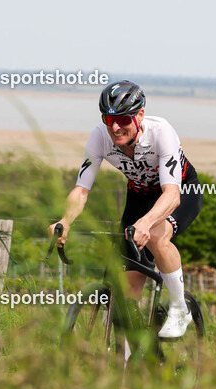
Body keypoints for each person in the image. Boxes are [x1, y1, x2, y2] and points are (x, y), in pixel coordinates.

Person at [50, 80, 203, 339]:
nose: (116, 127)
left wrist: (145, 224)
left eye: (122, 119)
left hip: (179, 191)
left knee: (156, 236)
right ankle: (130, 362)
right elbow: (81, 190)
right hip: (140, 196)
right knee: (127, 293)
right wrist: (66, 220)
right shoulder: (100, 136)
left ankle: (179, 308)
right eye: (109, 120)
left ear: (139, 115)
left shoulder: (161, 132)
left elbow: (172, 195)